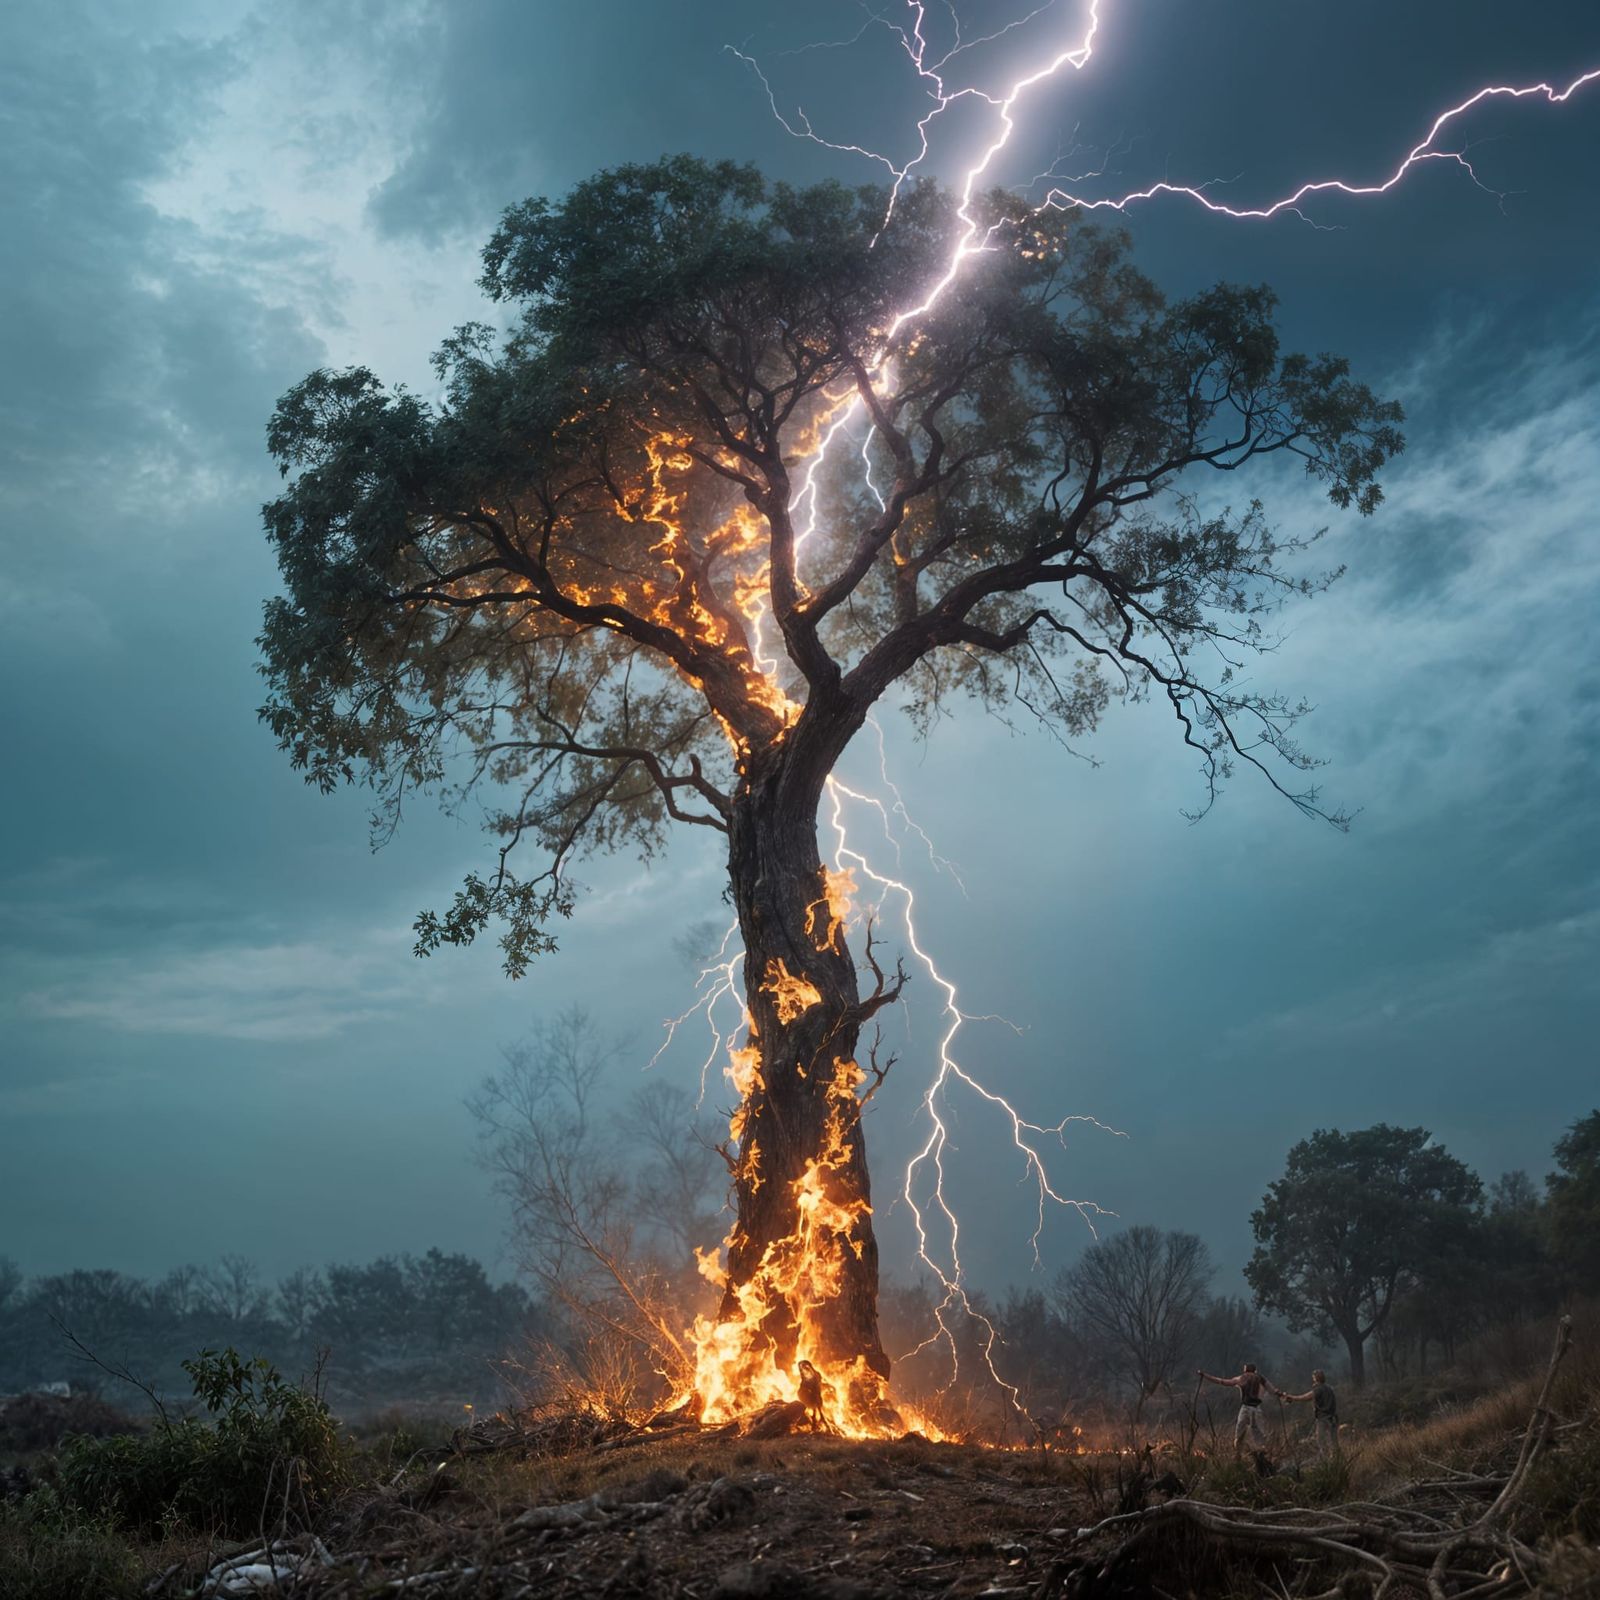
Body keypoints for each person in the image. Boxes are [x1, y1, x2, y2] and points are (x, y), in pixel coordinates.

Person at [1197, 1362, 1282, 1458]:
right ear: (1255, 1370)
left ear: (1245, 1370)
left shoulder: (1242, 1378)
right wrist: (1281, 1394)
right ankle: (1261, 1450)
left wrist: (1205, 1375)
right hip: (1256, 1408)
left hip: (1246, 1407)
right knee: (1258, 1432)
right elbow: (1272, 1390)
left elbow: (1223, 1381)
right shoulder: (1260, 1378)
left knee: (1240, 1430)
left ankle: (1239, 1452)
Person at [1282, 1369, 1340, 1459]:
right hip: (1333, 1418)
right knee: (1333, 1440)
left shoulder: (1318, 1389)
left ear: (1316, 1378)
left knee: (1321, 1440)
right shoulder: (1329, 1388)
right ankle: (1336, 1459)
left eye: (1313, 1377)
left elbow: (1306, 1397)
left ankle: (1325, 1459)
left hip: (1323, 1418)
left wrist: (1292, 1398)